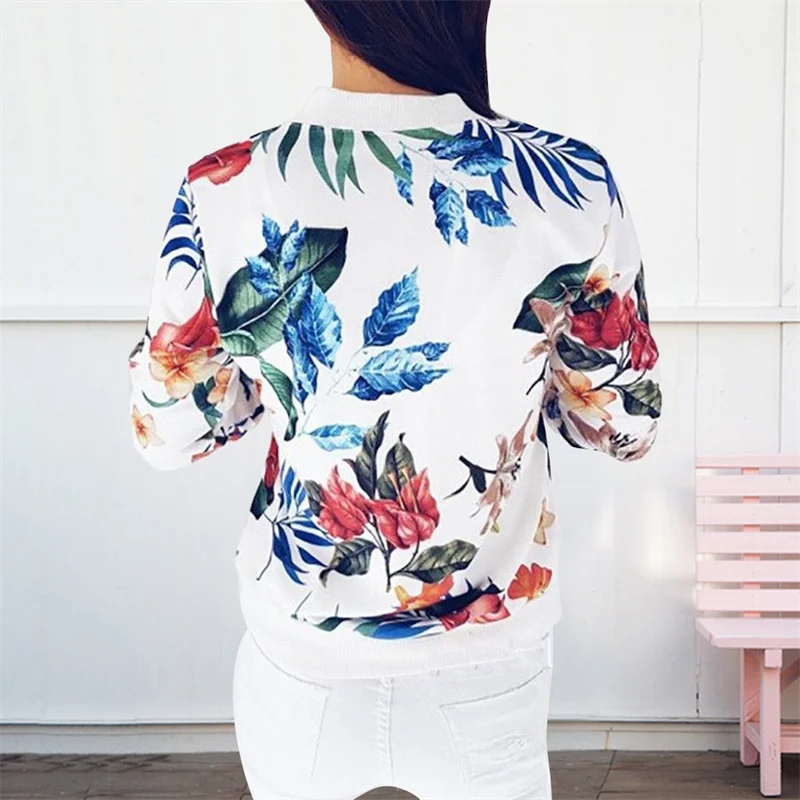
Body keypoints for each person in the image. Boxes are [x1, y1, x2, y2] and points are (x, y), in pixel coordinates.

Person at [127, 1, 662, 798]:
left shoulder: (227, 187)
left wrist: (278, 378)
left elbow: (166, 432)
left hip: (302, 658)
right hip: (488, 663)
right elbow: (626, 424)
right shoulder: (570, 186)